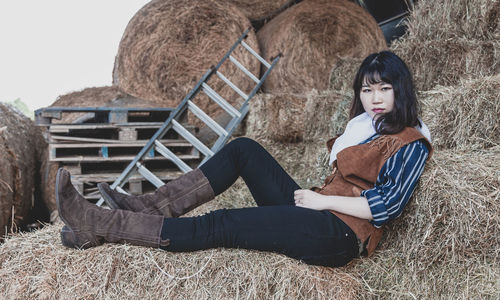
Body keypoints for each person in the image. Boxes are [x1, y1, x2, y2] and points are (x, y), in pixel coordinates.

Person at [56, 51, 432, 267]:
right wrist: (316, 203)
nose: (376, 97)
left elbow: (388, 205)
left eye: (385, 88)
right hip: (318, 214)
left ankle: (101, 224)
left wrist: (322, 201)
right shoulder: (365, 126)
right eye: (368, 89)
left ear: (401, 91)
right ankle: (148, 207)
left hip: (340, 235)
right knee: (243, 149)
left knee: (224, 223)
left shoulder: (411, 140)